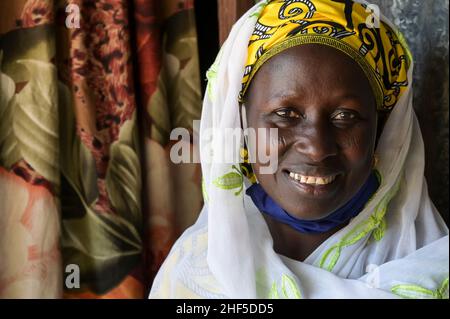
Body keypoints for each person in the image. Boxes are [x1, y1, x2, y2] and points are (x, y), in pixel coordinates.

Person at [149, 0, 449, 298]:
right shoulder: (195, 275)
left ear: (382, 130)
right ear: (241, 127)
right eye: (285, 114)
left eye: (345, 116)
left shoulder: (431, 266)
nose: (317, 148)